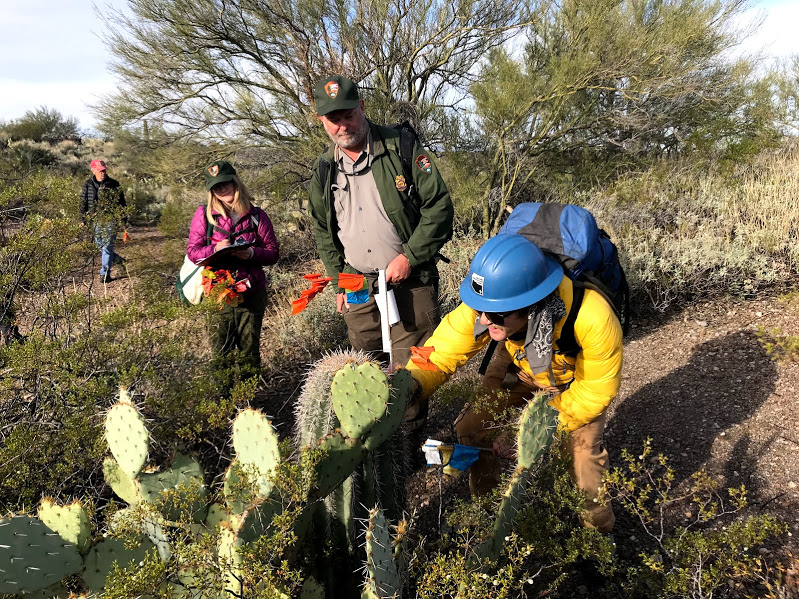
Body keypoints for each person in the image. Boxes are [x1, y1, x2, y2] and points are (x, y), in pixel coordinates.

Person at [405, 234, 623, 533]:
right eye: (478, 309)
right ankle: (490, 516)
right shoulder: (492, 303)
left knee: (583, 458)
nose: (482, 320)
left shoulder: (592, 317)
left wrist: (527, 434)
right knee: (472, 429)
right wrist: (408, 386)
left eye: (493, 315)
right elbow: (441, 351)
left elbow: (595, 391)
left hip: (573, 385)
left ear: (532, 304)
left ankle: (598, 535)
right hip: (520, 367)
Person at [307, 75, 454, 374]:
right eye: (333, 119)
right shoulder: (324, 168)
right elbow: (323, 230)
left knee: (413, 367)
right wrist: (338, 281)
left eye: (348, 115)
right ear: (321, 120)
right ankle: (376, 423)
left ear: (361, 106)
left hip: (409, 280)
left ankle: (412, 422)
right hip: (356, 282)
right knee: (365, 364)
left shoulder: (401, 146)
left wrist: (409, 257)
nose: (343, 126)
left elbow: (439, 206)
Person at [186, 160, 279, 367]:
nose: (222, 188)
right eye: (216, 186)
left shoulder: (257, 216)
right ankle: (224, 398)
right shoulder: (205, 215)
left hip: (251, 292)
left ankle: (248, 398)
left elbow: (273, 253)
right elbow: (193, 252)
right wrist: (216, 249)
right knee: (221, 354)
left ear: (235, 181)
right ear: (211, 191)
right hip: (217, 292)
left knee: (250, 353)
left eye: (225, 182)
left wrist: (252, 253)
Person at [80, 159, 127, 283]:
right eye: (100, 171)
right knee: (100, 246)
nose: (103, 173)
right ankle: (117, 259)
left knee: (106, 246)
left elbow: (122, 204)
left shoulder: (114, 184)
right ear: (93, 170)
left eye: (104, 170)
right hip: (94, 220)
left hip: (110, 220)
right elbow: (83, 203)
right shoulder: (87, 184)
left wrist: (123, 220)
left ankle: (104, 274)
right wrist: (83, 219)